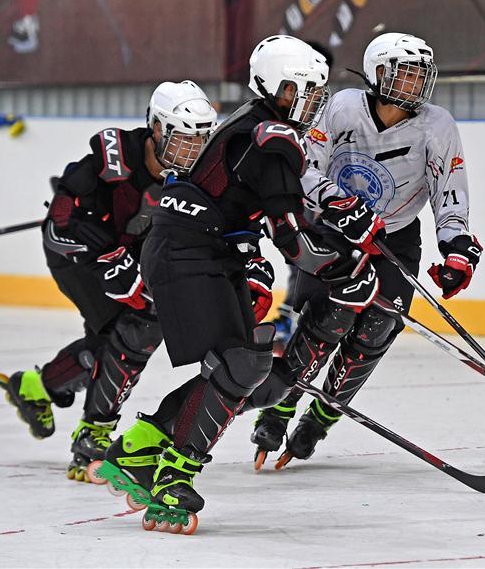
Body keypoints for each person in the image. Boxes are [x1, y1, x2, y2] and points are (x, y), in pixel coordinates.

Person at [95, 35, 380, 533]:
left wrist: (337, 236)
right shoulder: (276, 140)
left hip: (204, 250)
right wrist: (347, 271)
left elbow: (265, 214)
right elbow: (293, 238)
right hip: (187, 252)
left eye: (315, 92)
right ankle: (173, 475)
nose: (312, 102)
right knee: (244, 364)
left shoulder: (261, 126)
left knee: (259, 378)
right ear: (276, 87)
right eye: (303, 91)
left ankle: (141, 446)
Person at [250, 32, 482, 469]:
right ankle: (282, 403)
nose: (417, 85)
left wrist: (457, 247)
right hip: (335, 231)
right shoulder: (340, 107)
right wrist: (338, 202)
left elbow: (449, 193)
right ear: (378, 74)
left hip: (393, 235)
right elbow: (304, 167)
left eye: (421, 76)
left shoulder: (437, 125)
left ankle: (319, 420)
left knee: (378, 327)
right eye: (406, 75)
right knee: (329, 318)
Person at [0, 81, 217, 481]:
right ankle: (92, 431)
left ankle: (36, 387)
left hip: (126, 254)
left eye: (200, 140)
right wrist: (104, 260)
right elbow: (62, 222)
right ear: (157, 128)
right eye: (183, 139)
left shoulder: (197, 173)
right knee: (127, 332)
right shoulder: (115, 154)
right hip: (74, 256)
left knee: (118, 339)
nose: (192, 151)